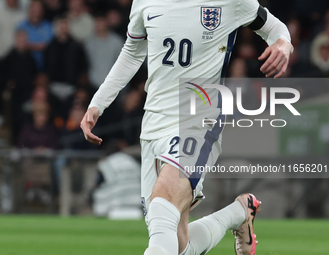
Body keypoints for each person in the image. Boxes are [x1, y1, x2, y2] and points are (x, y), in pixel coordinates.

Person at [81, 1, 293, 255]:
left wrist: (283, 43)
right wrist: (97, 104)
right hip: (153, 122)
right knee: (179, 245)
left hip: (199, 116)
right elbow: (133, 52)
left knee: (162, 210)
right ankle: (239, 212)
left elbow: (274, 27)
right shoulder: (144, 2)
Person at [0, 0, 25, 129]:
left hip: (19, 57)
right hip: (2, 58)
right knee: (0, 87)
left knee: (17, 89)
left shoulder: (22, 15)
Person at [84, 14, 124, 89]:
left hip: (113, 84)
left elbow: (123, 64)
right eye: (97, 22)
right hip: (92, 83)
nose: (99, 25)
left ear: (106, 23)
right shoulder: (88, 42)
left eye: (101, 22)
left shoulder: (116, 41)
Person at [17, 0, 53, 71]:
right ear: (29, 10)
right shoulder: (21, 26)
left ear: (42, 11)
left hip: (45, 68)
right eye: (33, 9)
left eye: (38, 10)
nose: (36, 13)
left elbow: (47, 46)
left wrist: (29, 46)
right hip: (25, 68)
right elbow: (20, 47)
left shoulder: (48, 26)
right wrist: (38, 46)